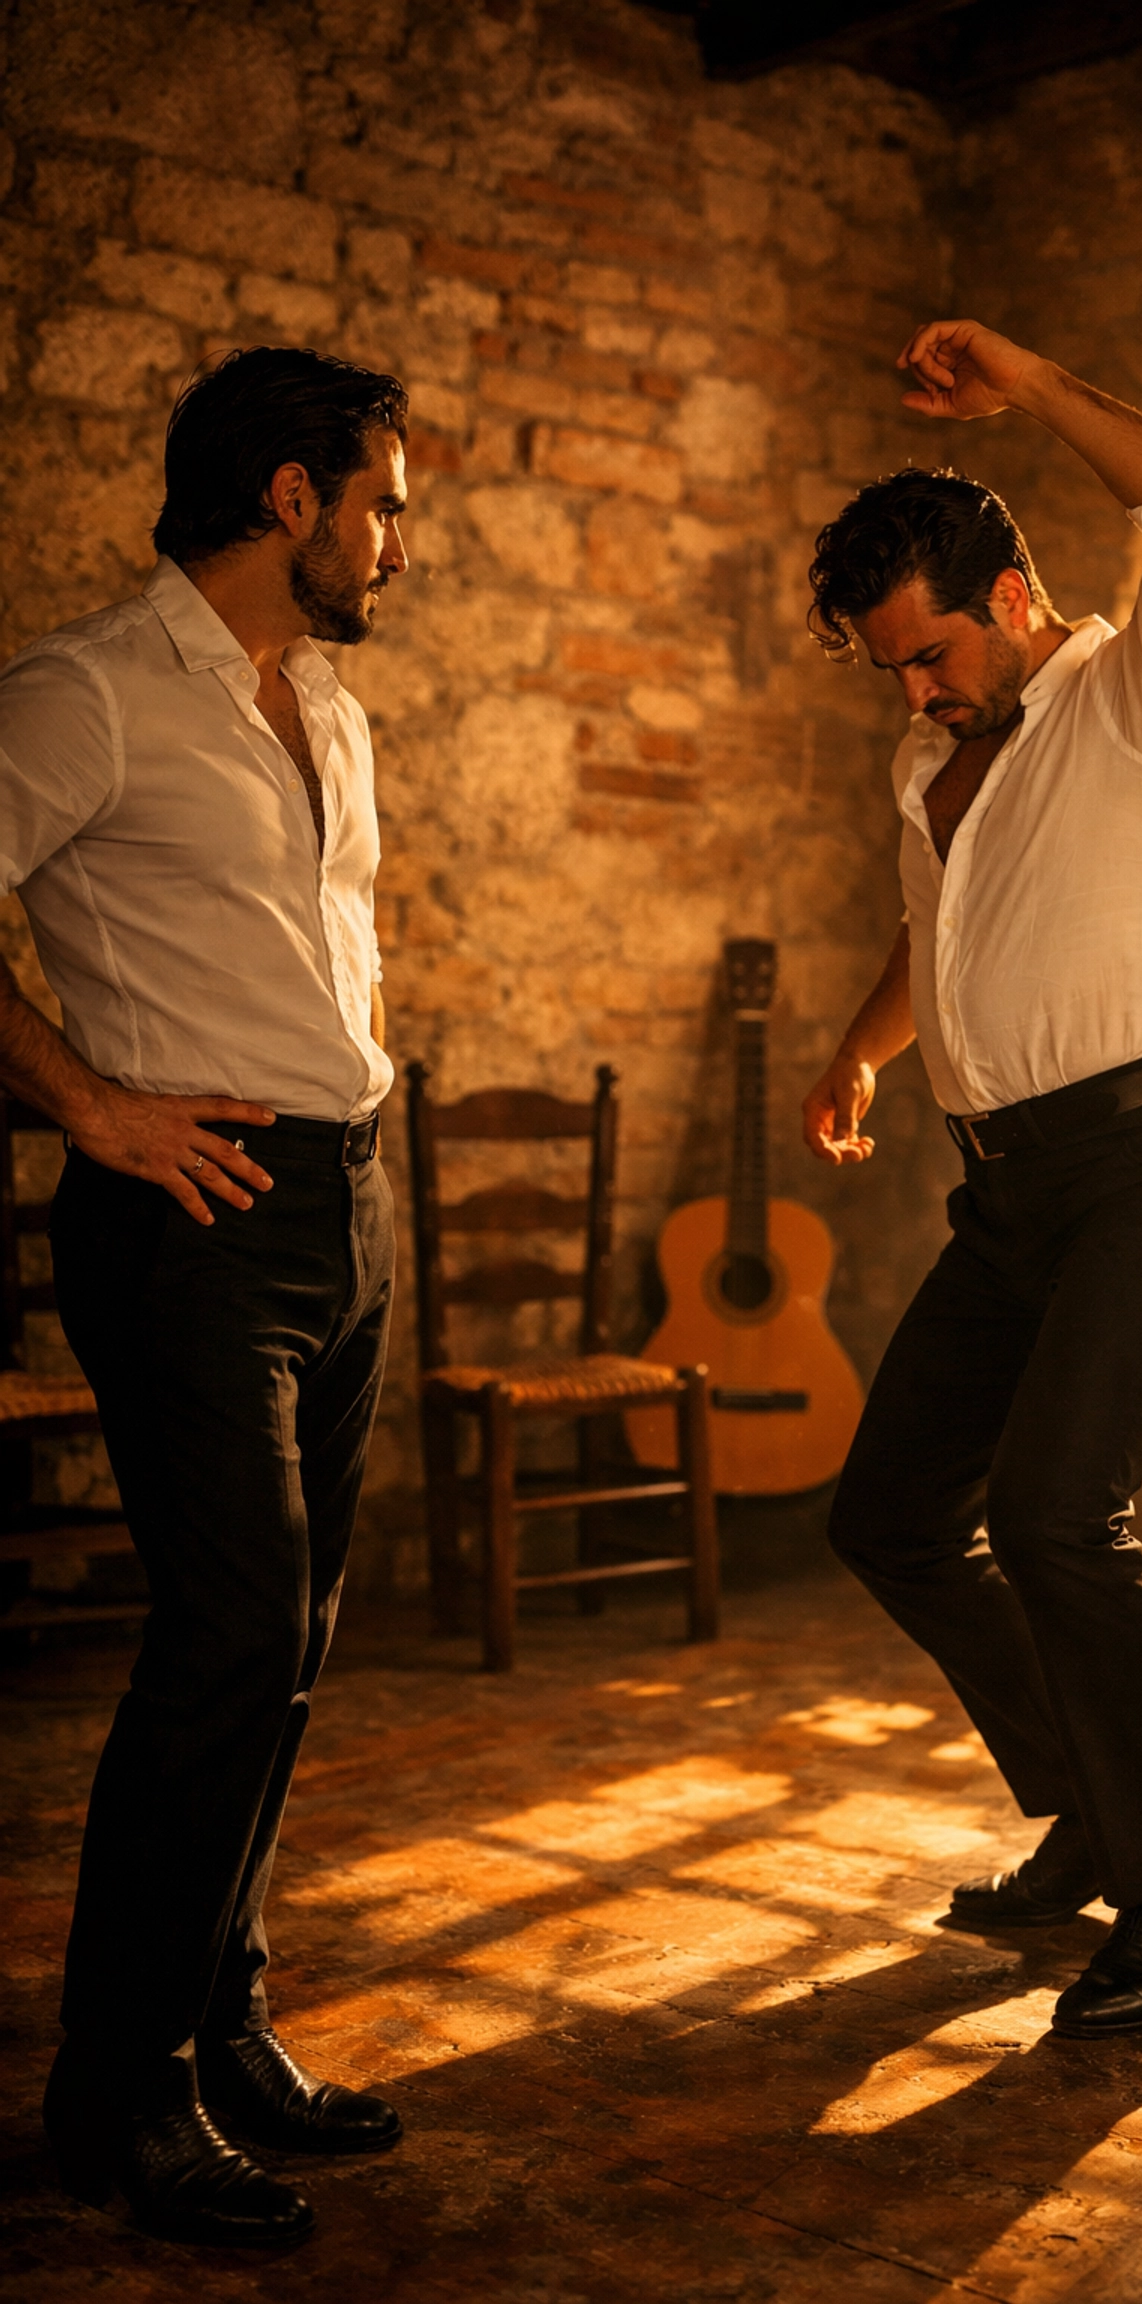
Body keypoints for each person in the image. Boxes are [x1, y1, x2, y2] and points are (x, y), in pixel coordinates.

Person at [802, 318, 1142, 2039]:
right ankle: (1092, 1801)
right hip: (1005, 1203)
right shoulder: (930, 762)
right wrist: (860, 1045)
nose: (911, 696)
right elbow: (945, 940)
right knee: (890, 1518)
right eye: (885, 671)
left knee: (1061, 1514)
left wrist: (1039, 391)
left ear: (1006, 598)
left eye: (925, 655)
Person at [0, 347, 410, 2245]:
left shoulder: (325, 711)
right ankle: (119, 2095)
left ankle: (224, 2021)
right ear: (287, 499)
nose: (401, 535)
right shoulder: (86, 690)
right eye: (383, 498)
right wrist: (86, 1099)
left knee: (297, 1642)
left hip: (347, 1207)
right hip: (190, 1223)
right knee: (230, 1634)